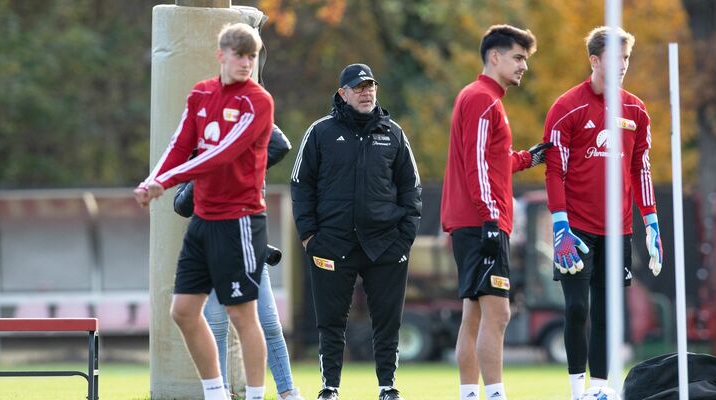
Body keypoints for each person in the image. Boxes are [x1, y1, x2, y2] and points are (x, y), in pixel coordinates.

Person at [134, 23, 274, 400]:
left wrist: (167, 182)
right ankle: (215, 393)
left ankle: (255, 396)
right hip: (203, 220)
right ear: (220, 55)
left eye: (251, 56)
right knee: (182, 311)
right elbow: (181, 145)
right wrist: (152, 180)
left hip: (239, 220)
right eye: (239, 55)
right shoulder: (201, 93)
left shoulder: (257, 101)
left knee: (241, 314)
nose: (245, 63)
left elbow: (221, 154)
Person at [541, 26, 663, 400]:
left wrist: (651, 222)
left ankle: (599, 390)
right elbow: (554, 171)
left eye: (627, 57)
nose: (623, 65)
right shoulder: (566, 107)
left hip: (618, 230)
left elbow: (641, 168)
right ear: (595, 60)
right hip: (575, 230)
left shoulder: (636, 110)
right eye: (615, 58)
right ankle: (576, 391)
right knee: (578, 307)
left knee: (608, 313)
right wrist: (559, 225)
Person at [290, 63, 422, 400]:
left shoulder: (393, 133)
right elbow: (300, 185)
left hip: (386, 244)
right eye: (359, 87)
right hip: (332, 244)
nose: (366, 93)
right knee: (331, 321)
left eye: (370, 86)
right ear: (343, 93)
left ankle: (387, 387)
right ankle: (330, 388)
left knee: (388, 321)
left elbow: (411, 188)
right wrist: (309, 236)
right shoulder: (320, 132)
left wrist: (404, 238)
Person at [441, 24, 546, 400]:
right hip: (481, 221)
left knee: (473, 316)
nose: (523, 66)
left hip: (473, 221)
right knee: (498, 314)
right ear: (495, 56)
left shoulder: (481, 98)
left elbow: (494, 160)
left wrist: (529, 158)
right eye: (518, 58)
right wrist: (490, 218)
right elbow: (477, 166)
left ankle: (470, 394)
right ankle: (495, 394)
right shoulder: (483, 99)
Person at [173, 125, 304, 400]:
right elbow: (181, 205)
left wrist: (230, 160)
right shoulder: (196, 147)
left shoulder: (249, 142)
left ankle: (288, 392)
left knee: (270, 324)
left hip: (249, 247)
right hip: (212, 251)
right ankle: (219, 392)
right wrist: (208, 170)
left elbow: (280, 145)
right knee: (217, 326)